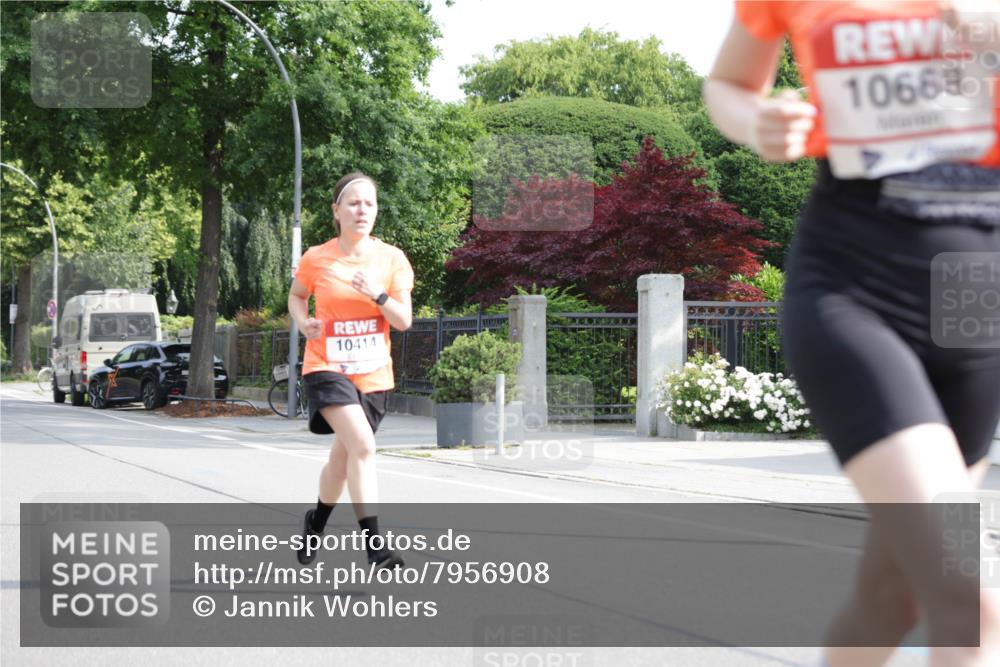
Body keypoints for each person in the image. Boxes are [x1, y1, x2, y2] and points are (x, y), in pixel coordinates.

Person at [705, 2, 1000, 666]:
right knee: (969, 603)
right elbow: (726, 85)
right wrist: (758, 122)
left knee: (893, 597)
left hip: (977, 308)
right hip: (855, 289)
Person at [288, 172, 413, 569]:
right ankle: (376, 545)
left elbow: (404, 321)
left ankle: (315, 522)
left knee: (343, 462)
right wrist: (303, 321)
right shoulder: (317, 257)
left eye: (370, 204)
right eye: (354, 203)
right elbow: (296, 296)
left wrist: (376, 294)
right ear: (336, 211)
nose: (362, 210)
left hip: (373, 373)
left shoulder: (391, 259)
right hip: (326, 365)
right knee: (363, 446)